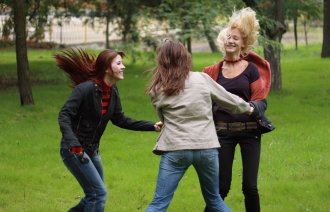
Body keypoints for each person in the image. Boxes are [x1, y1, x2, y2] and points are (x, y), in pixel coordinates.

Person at [145, 40, 257, 212]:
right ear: (185, 57)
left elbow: (164, 118)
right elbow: (228, 99)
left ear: (162, 60)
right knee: (215, 201)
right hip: (207, 148)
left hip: (176, 148)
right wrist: (248, 108)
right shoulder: (201, 79)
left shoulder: (156, 89)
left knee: (158, 204)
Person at [55, 48, 162, 212]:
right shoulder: (85, 89)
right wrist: (73, 145)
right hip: (75, 150)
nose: (123, 67)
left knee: (94, 194)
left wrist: (151, 126)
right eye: (119, 63)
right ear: (106, 68)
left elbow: (120, 119)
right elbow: (64, 115)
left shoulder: (112, 91)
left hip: (92, 150)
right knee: (98, 194)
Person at [203, 8, 272, 212]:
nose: (231, 41)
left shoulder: (250, 69)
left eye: (236, 38)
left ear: (243, 43)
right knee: (221, 188)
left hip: (250, 132)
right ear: (223, 42)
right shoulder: (213, 72)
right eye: (228, 37)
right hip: (223, 134)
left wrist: (252, 108)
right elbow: (201, 102)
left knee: (250, 187)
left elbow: (261, 101)